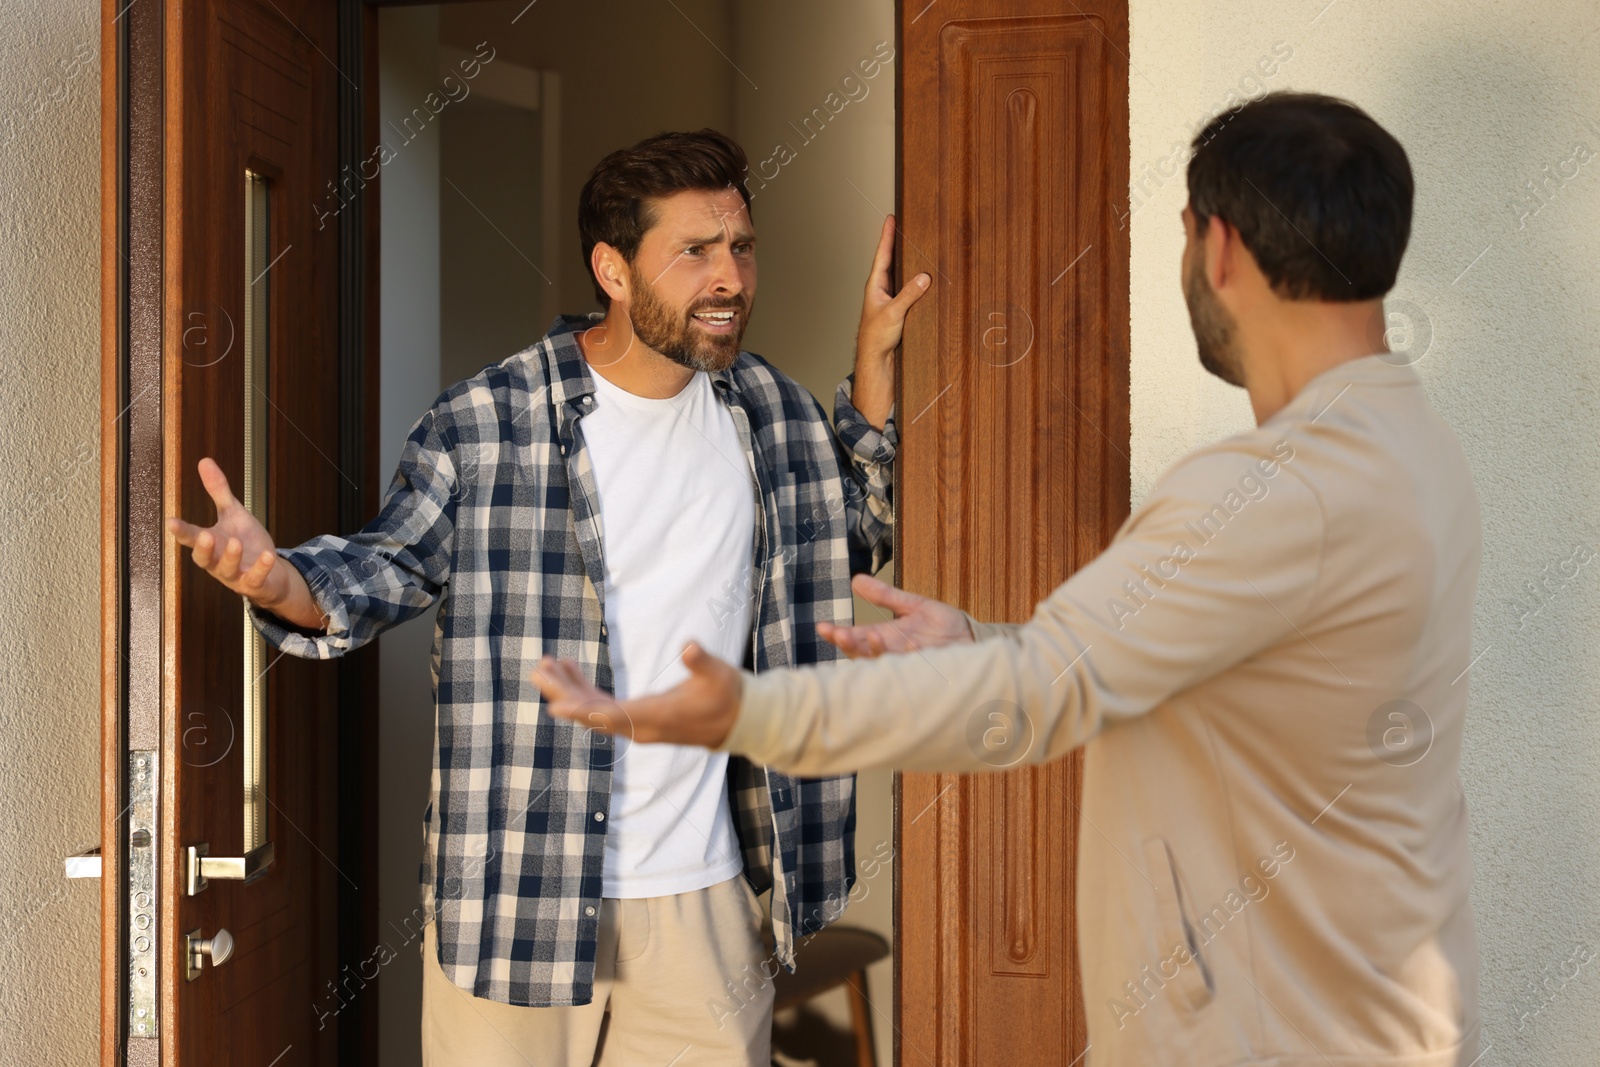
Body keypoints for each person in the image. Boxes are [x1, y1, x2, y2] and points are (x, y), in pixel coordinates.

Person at [535, 92, 1484, 1067]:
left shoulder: (1271, 491)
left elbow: (1037, 695)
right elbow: (1170, 664)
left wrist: (742, 712)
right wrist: (983, 641)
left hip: (1272, 1029)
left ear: (1222, 249)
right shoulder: (1413, 446)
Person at [167, 128, 929, 1067]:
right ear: (613, 268)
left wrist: (874, 375)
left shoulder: (769, 413)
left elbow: (852, 540)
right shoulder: (488, 422)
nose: (729, 276)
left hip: (706, 900)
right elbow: (384, 569)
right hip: (516, 897)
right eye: (694, 251)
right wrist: (280, 578)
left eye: (741, 246)